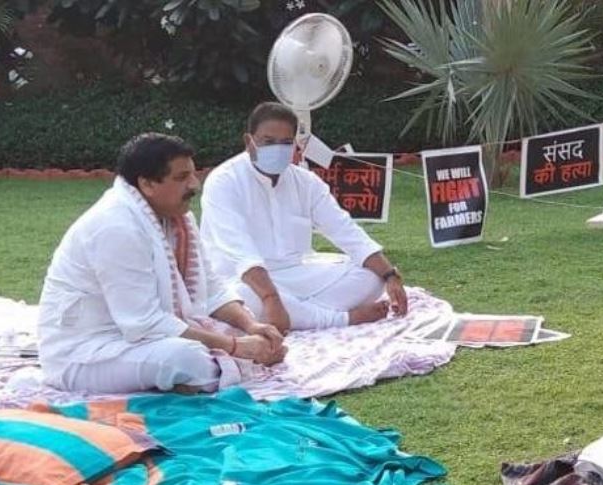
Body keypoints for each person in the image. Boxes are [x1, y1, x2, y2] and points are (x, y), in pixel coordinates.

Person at [38, 133, 286, 394]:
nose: (194, 185)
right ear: (146, 184)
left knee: (247, 309)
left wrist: (251, 326)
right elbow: (143, 323)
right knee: (188, 360)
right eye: (181, 178)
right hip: (86, 353)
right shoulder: (116, 227)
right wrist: (235, 346)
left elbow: (211, 287)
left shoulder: (179, 218)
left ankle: (227, 362)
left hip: (137, 339)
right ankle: (221, 367)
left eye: (192, 174)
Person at [200, 102, 407, 332]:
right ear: (249, 142)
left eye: (286, 143)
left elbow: (344, 230)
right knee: (240, 298)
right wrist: (270, 297)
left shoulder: (305, 182)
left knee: (371, 278)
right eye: (269, 142)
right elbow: (241, 254)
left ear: (295, 145)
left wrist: (390, 275)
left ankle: (297, 315)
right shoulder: (224, 182)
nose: (278, 149)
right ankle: (340, 318)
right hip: (244, 280)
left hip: (296, 275)